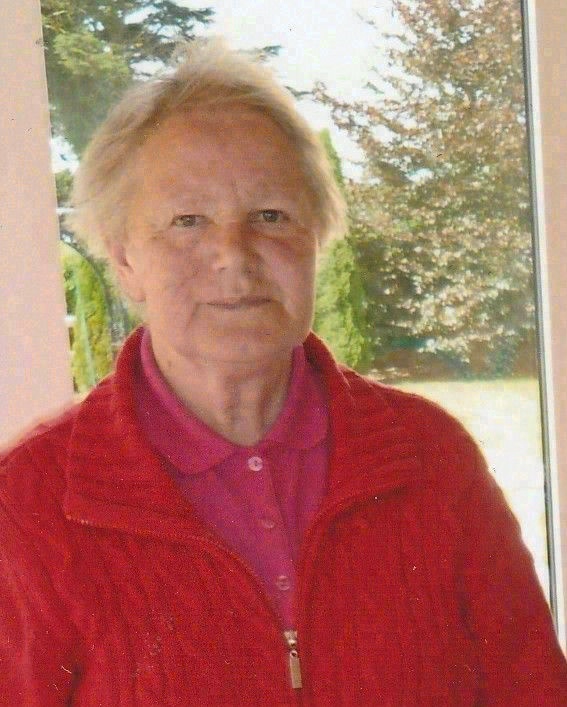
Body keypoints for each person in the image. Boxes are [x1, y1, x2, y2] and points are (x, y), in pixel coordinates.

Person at [1, 38, 566, 706]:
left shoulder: (432, 458)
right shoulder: (29, 503)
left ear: (314, 238)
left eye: (270, 216)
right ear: (124, 259)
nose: (234, 255)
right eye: (187, 221)